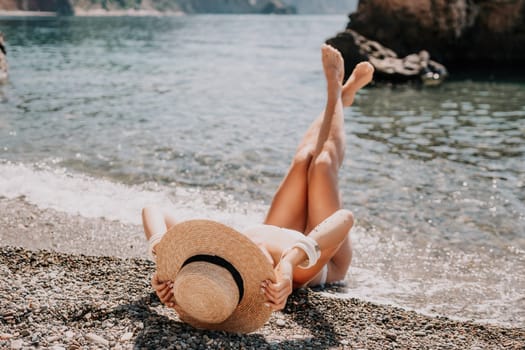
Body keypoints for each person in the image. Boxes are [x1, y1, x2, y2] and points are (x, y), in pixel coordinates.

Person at [142, 44, 374, 313]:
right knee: (321, 166)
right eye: (236, 263)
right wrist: (289, 262)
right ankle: (336, 95)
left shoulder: (208, 256)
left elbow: (152, 209)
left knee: (303, 161)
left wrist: (161, 252)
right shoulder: (277, 278)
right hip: (323, 250)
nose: (233, 254)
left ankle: (341, 101)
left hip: (278, 228)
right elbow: (345, 220)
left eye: (226, 256)